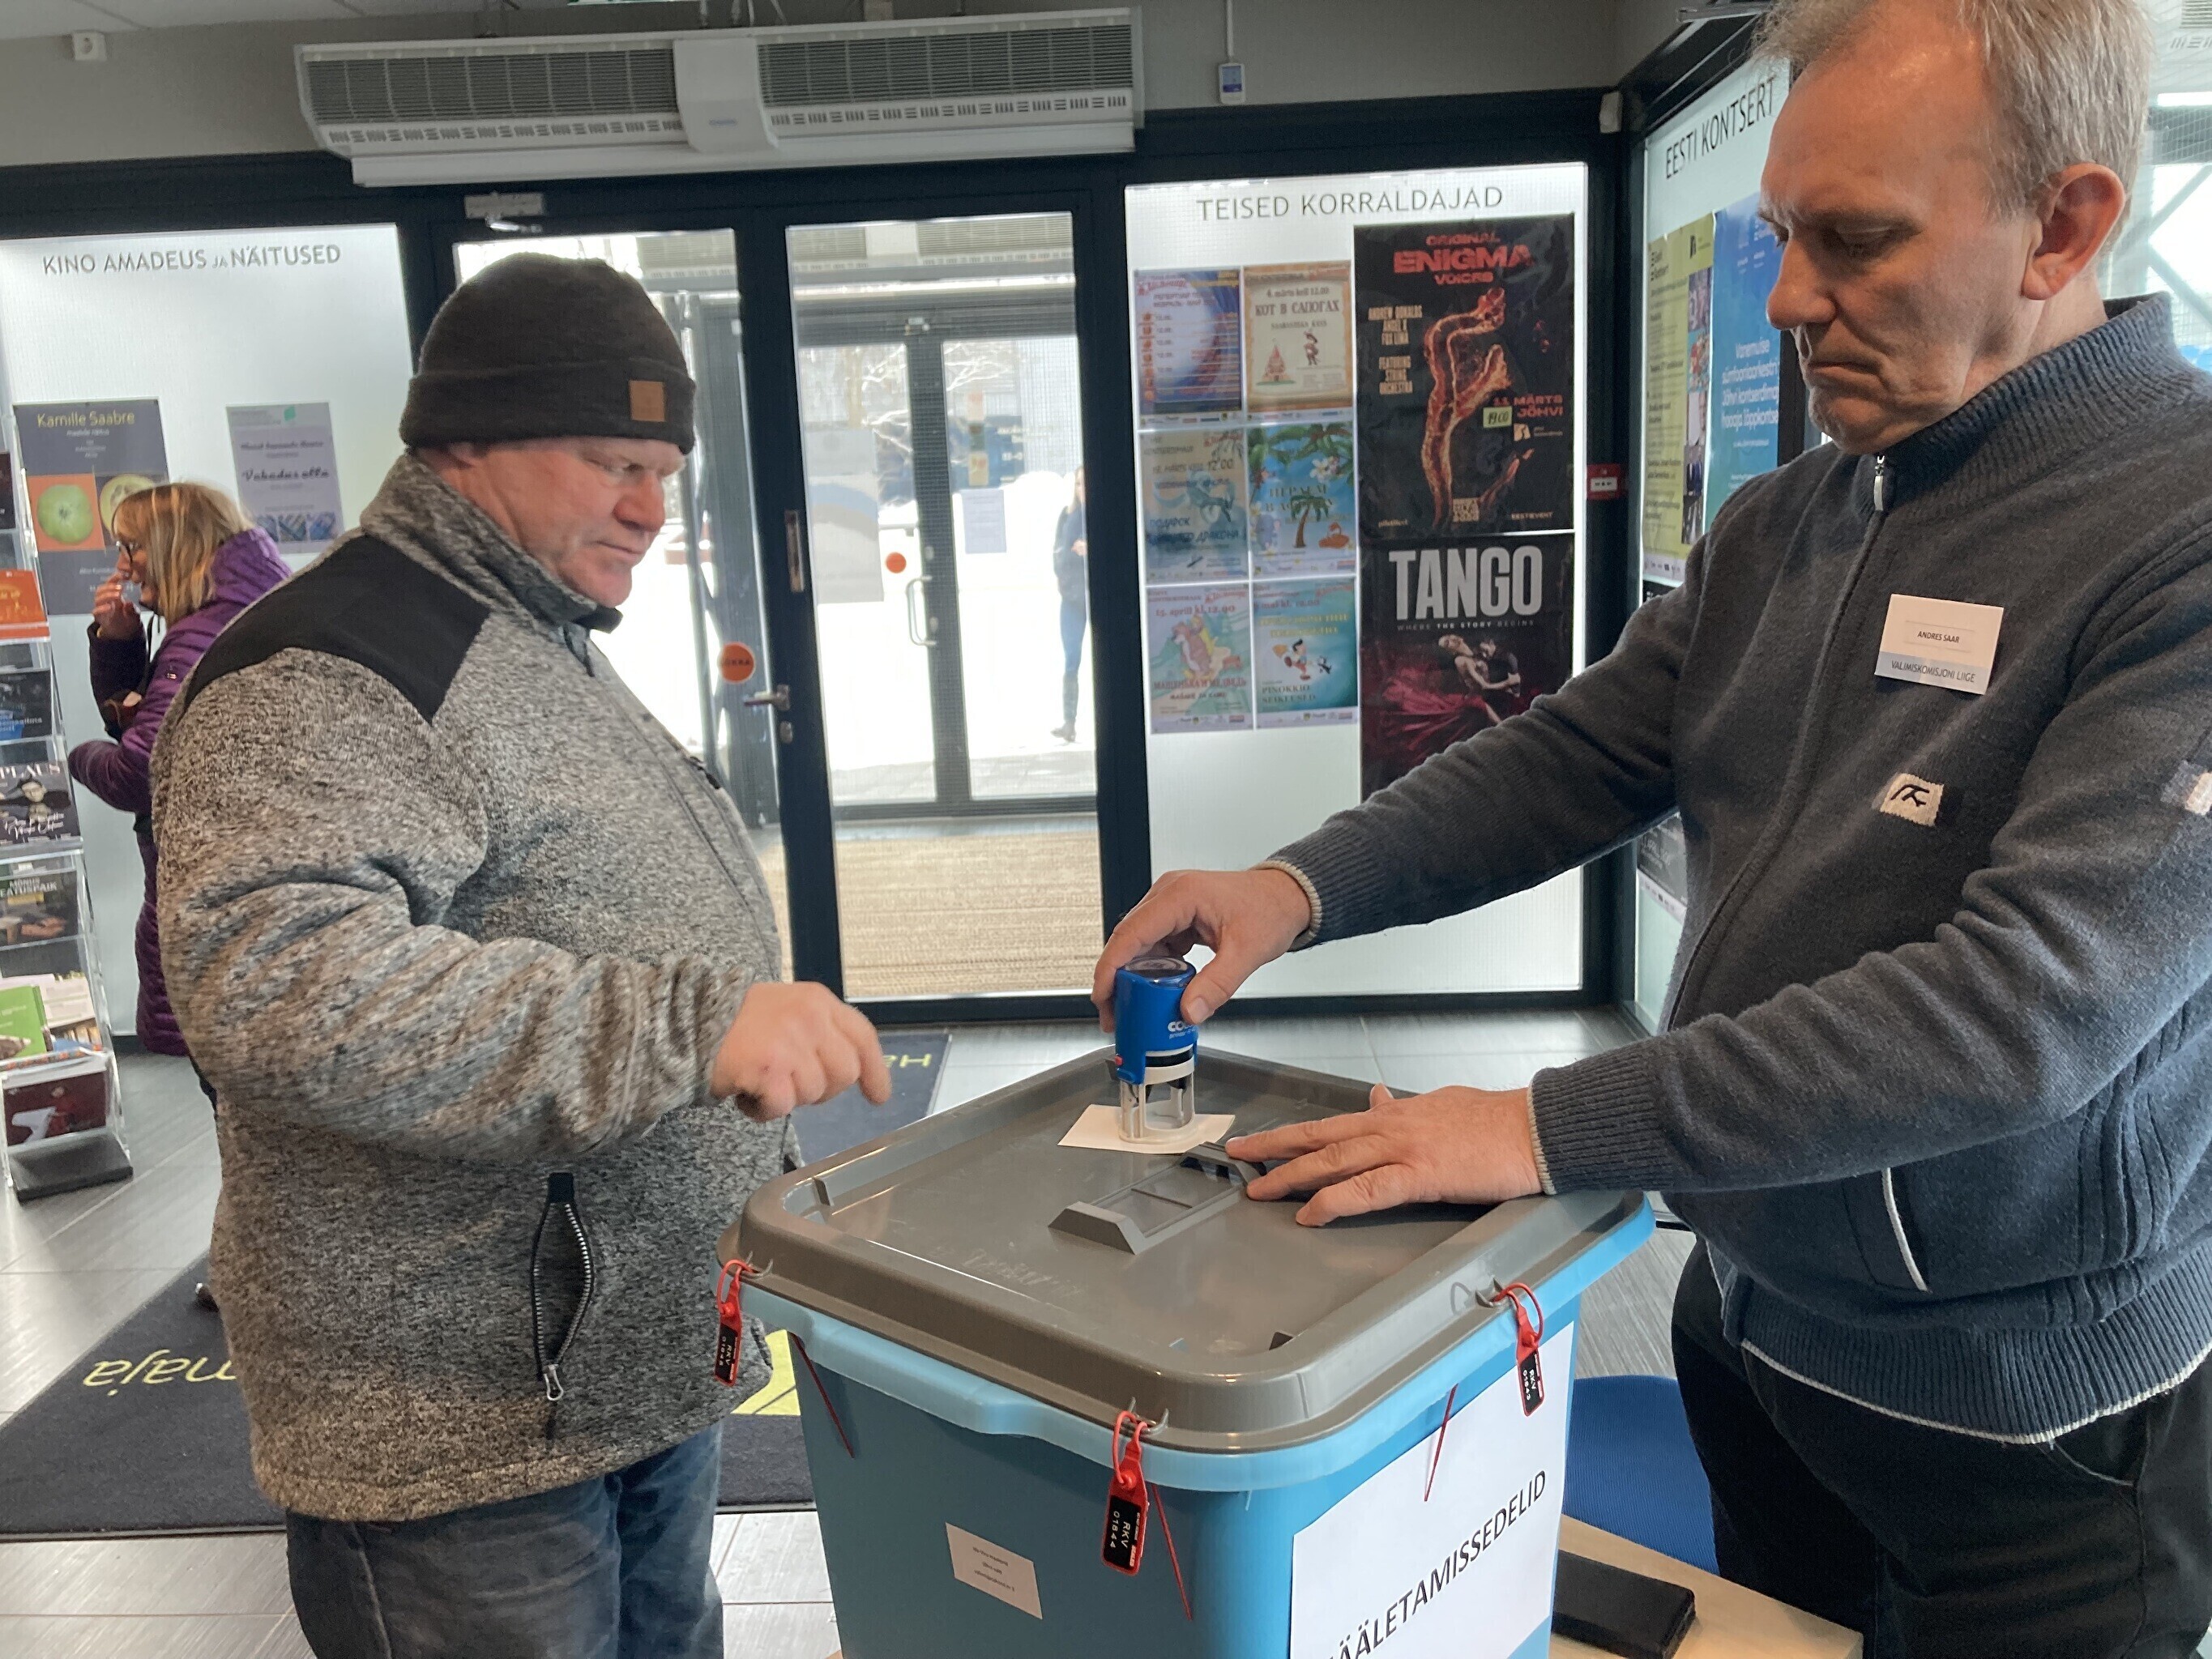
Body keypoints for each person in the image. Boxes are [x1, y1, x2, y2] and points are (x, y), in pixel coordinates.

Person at [1095, 2, 2212, 1655]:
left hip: (2018, 1427)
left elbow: (2025, 1009)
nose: (1788, 299)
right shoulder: (1796, 514)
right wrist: (1298, 884)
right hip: (1753, 1333)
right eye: (1783, 235)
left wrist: (1543, 1127)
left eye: (1855, 240)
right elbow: (1576, 756)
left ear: (2066, 226)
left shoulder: (2181, 533)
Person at [152, 253, 890, 1659]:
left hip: (617, 1376)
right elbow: (278, 984)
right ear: (466, 443)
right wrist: (687, 1028)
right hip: (464, 1430)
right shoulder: (336, 665)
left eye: (662, 471)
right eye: (615, 463)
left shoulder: (529, 630)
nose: (651, 509)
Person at [69, 483, 288, 1060]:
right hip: (254, 881)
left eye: (133, 546)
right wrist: (118, 645)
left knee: (225, 1078)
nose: (123, 566)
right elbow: (150, 726)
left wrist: (73, 757)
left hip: (211, 889)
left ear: (175, 543)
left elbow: (135, 771)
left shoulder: (200, 633)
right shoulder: (253, 607)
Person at [1052, 465, 1087, 742]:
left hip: (1097, 596)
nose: (1082, 489)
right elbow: (1058, 555)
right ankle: (1069, 723)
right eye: (1078, 483)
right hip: (1072, 597)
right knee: (1071, 658)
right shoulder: (1067, 516)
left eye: (1086, 483)